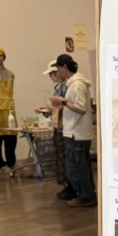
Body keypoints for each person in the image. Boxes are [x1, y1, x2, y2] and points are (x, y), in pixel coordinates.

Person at [51, 54, 94, 207]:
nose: (57, 72)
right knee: (79, 166)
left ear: (64, 67)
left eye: (58, 68)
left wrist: (63, 101)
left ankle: (86, 196)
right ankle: (85, 194)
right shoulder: (74, 83)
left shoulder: (77, 85)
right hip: (75, 131)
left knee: (78, 168)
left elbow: (81, 109)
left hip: (77, 132)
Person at [37, 60, 69, 196]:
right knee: (61, 158)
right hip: (58, 126)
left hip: (65, 127)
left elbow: (65, 106)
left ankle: (70, 187)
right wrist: (44, 110)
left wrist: (50, 108)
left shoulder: (67, 86)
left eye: (52, 74)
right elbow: (53, 109)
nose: (51, 77)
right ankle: (66, 186)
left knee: (66, 159)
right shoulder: (58, 88)